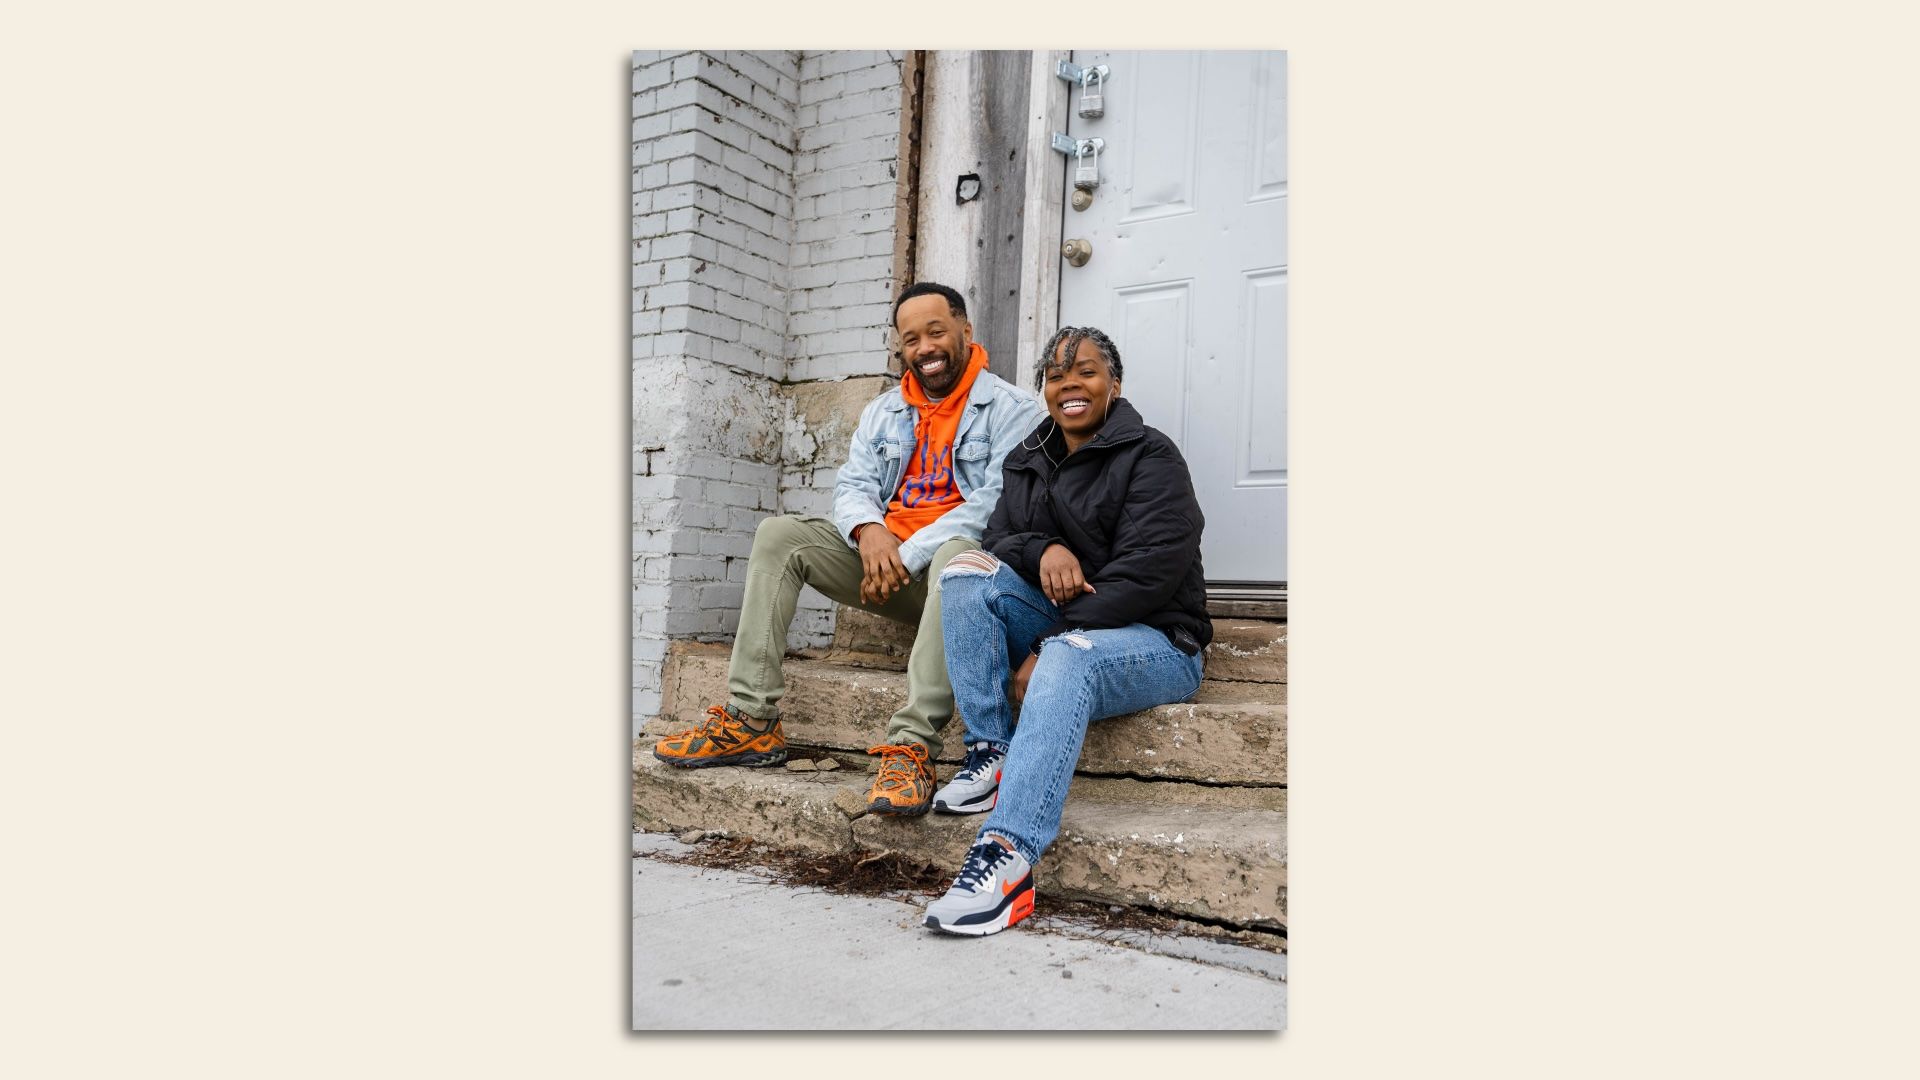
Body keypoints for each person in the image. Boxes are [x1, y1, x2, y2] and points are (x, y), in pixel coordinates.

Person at [651, 282, 1045, 817]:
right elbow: (853, 485)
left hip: (956, 583)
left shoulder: (1012, 409)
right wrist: (869, 532)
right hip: (885, 566)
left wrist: (904, 556)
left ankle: (911, 748)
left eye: (936, 332)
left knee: (957, 553)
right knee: (780, 536)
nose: (925, 348)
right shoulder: (885, 410)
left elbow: (992, 507)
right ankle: (752, 720)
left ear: (965, 332)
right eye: (911, 339)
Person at [920, 326, 1213, 936]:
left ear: (1115, 384)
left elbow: (1149, 574)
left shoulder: (1152, 456)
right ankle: (991, 751)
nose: (1069, 385)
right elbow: (997, 539)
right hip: (1071, 623)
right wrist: (1046, 545)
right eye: (1055, 376)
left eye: (1085, 371)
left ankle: (1008, 859)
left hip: (1158, 640)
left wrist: (1052, 640)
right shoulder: (1029, 456)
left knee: (1069, 656)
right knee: (965, 571)